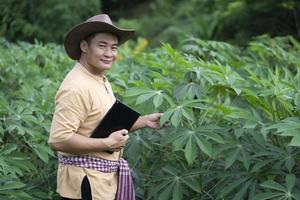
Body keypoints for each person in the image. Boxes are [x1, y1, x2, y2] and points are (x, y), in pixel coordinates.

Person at [48, 14, 162, 200]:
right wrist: (106, 143)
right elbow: (58, 140)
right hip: (85, 184)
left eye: (114, 47)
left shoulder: (98, 79)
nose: (110, 54)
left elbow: (101, 126)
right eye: (102, 46)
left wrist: (144, 121)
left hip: (102, 183)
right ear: (84, 46)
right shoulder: (76, 86)